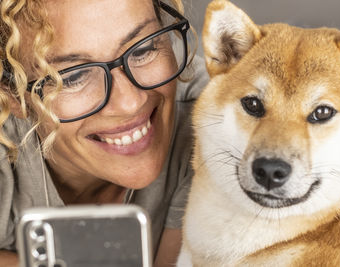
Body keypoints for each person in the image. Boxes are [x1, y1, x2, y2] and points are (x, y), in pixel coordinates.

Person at [0, 0, 208, 266]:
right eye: (73, 77)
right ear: (13, 95)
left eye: (143, 49)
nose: (130, 102)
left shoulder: (216, 124)